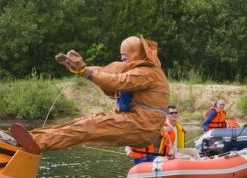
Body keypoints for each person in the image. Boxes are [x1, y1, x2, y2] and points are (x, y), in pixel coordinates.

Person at [10, 36, 169, 155]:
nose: (122, 60)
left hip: (142, 126)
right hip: (133, 121)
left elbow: (117, 82)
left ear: (136, 56)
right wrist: (76, 68)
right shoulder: (130, 67)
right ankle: (32, 138)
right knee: (81, 123)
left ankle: (37, 143)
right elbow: (105, 71)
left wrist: (85, 72)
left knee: (87, 128)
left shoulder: (148, 73)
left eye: (125, 57)